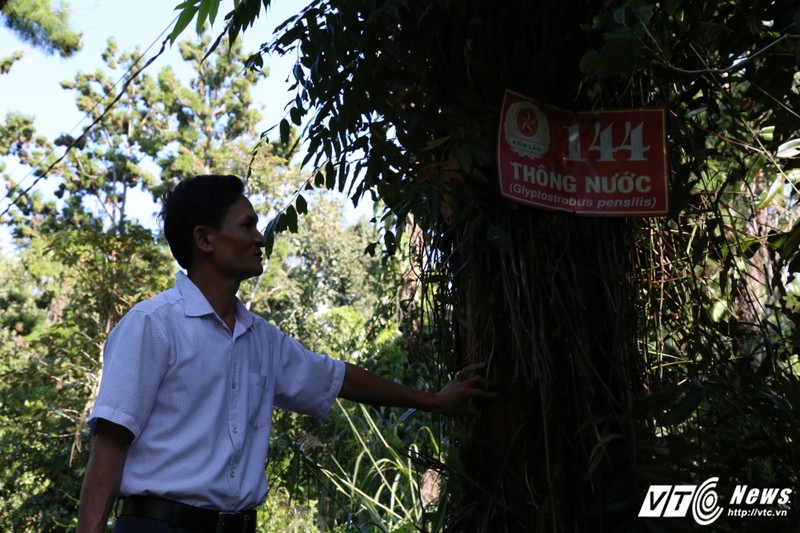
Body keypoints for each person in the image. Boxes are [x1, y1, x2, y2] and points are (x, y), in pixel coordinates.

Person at [76, 174, 493, 533]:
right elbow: (110, 446)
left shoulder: (261, 339)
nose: (261, 238)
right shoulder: (152, 324)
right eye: (247, 226)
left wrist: (433, 401)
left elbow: (338, 378)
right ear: (204, 238)